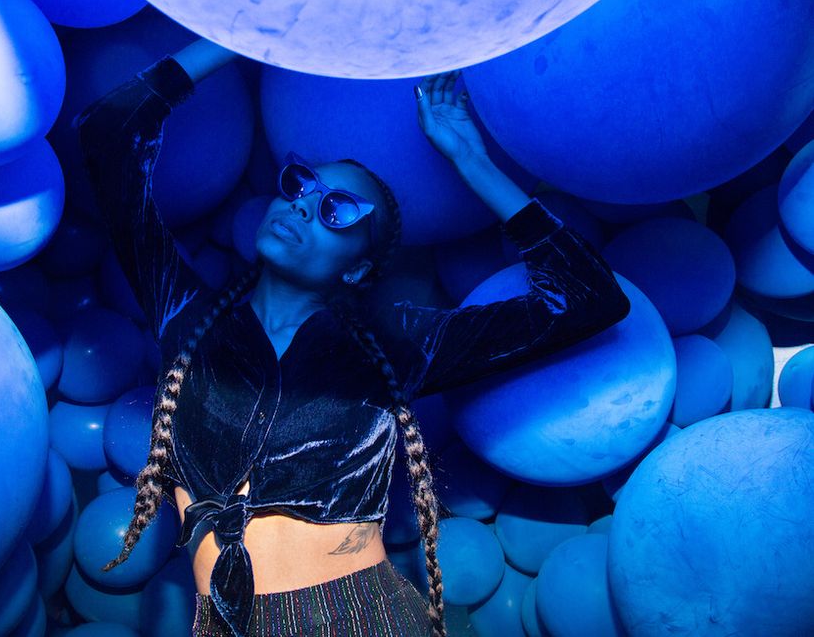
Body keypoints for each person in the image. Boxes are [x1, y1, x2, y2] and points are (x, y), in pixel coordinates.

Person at [73, 37, 631, 637]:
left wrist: (471, 161)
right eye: (298, 185)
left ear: (359, 269)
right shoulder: (185, 315)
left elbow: (584, 296)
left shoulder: (392, 346)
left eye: (337, 210)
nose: (303, 207)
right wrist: (242, 36)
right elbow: (108, 130)